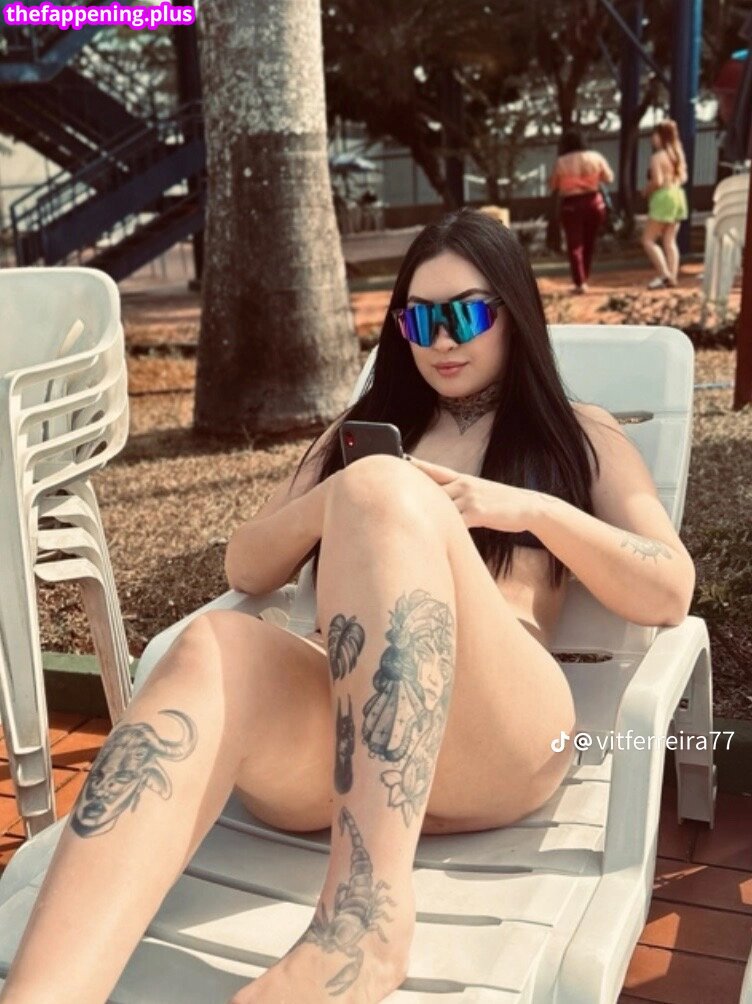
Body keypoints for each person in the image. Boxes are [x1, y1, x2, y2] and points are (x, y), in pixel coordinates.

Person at [0, 210, 696, 1004]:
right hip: (337, 752)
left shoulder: (579, 435)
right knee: (211, 647)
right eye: (418, 320)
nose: (441, 340)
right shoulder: (360, 438)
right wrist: (342, 494)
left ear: (515, 313)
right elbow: (246, 563)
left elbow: (669, 589)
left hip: (498, 742)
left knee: (380, 489)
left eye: (466, 314)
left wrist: (528, 510)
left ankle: (363, 925)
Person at [549, 130, 614, 294]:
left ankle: (580, 282)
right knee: (589, 242)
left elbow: (553, 185)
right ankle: (585, 276)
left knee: (574, 244)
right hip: (594, 202)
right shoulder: (596, 157)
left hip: (571, 204)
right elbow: (609, 178)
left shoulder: (561, 161)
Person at [641, 119, 689, 289]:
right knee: (670, 240)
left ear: (661, 136)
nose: (652, 138)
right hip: (677, 195)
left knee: (648, 240)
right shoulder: (678, 155)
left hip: (663, 197)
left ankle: (664, 274)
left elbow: (657, 181)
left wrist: (646, 190)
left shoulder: (657, 157)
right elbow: (683, 178)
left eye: (654, 134)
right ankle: (672, 276)